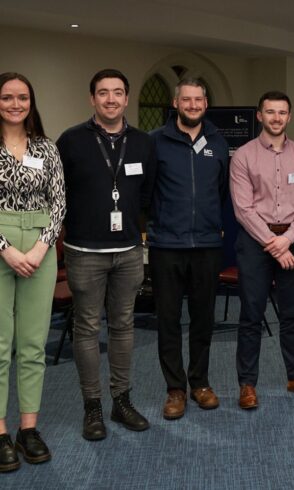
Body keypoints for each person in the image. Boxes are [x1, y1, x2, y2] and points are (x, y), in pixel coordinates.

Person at [57, 69, 155, 441]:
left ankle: (122, 400)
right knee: (87, 328)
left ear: (127, 98)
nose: (110, 99)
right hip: (84, 252)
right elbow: (59, 192)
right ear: (92, 99)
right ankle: (92, 407)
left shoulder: (144, 143)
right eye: (103, 93)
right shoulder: (70, 141)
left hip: (129, 250)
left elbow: (147, 193)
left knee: (124, 327)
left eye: (117, 92)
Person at [230, 91, 294, 409]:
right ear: (259, 115)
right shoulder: (243, 156)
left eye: (282, 113)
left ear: (289, 117)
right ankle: (247, 384)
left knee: (292, 314)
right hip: (255, 242)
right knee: (251, 315)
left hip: (293, 239)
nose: (276, 118)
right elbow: (243, 209)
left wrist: (287, 240)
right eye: (270, 112)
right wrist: (273, 243)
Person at [148, 78, 229, 420]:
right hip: (167, 244)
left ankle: (200, 382)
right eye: (187, 99)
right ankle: (175, 389)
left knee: (202, 318)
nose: (193, 105)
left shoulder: (218, 142)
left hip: (207, 244)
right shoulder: (155, 142)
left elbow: (222, 191)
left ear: (206, 103)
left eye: (198, 99)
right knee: (167, 319)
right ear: (175, 103)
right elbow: (146, 192)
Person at [0, 72, 65, 471]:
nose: (15, 104)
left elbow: (59, 202)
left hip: (41, 246)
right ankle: (0, 433)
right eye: (7, 97)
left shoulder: (47, 147)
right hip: (1, 244)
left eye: (22, 97)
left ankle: (28, 428)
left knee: (32, 344)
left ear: (31, 102)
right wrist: (7, 250)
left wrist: (41, 248)